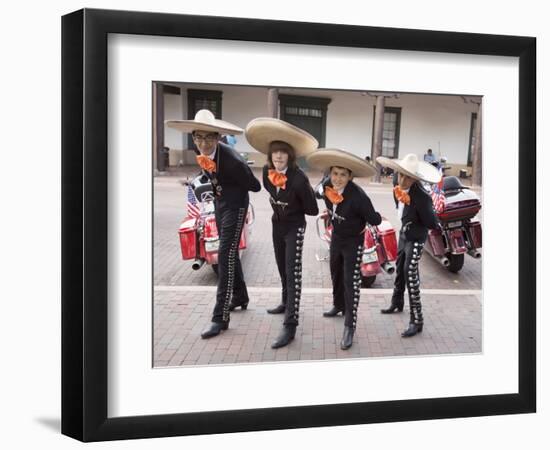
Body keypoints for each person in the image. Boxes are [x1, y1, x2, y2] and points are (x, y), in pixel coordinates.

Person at [166, 110, 261, 339]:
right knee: (228, 253)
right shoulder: (205, 154)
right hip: (219, 205)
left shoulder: (233, 160)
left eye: (209, 138)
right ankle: (240, 296)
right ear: (194, 138)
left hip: (236, 207)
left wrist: (233, 179)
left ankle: (220, 318)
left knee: (224, 254)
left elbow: (255, 186)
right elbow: (209, 171)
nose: (203, 143)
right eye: (198, 138)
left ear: (218, 137)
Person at [245, 118, 319, 348]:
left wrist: (297, 197)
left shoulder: (299, 179)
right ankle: (285, 302)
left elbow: (312, 209)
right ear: (270, 156)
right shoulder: (266, 172)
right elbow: (269, 190)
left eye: (283, 153)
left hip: (295, 227)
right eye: (275, 153)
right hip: (277, 225)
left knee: (292, 272)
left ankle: (291, 324)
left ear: (290, 156)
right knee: (281, 267)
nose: (278, 157)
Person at [306, 149, 381, 350]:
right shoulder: (327, 184)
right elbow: (316, 192)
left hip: (353, 241)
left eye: (343, 175)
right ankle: (338, 305)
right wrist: (326, 205)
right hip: (336, 237)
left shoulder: (359, 197)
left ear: (350, 177)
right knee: (335, 272)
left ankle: (350, 325)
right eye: (335, 173)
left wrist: (374, 216)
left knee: (351, 282)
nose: (338, 179)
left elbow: (375, 219)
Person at [376, 153, 441, 337]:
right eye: (401, 175)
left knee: (410, 273)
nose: (403, 180)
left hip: (417, 238)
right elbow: (401, 211)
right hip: (404, 234)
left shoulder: (423, 198)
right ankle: (397, 303)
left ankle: (417, 320)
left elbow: (432, 223)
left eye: (408, 177)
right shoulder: (396, 188)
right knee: (399, 268)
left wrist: (418, 218)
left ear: (415, 179)